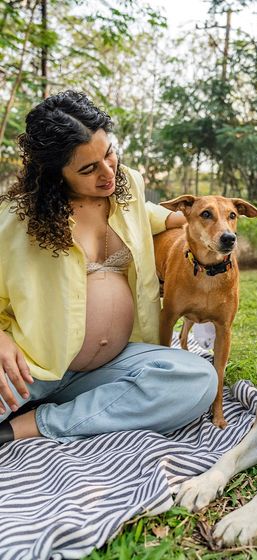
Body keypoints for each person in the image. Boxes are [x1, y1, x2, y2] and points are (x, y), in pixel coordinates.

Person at [0, 90, 218, 444]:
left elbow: (143, 214)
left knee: (197, 378)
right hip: (33, 367)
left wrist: (189, 220)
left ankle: (32, 425)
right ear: (55, 175)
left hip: (112, 367)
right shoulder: (17, 219)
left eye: (109, 153)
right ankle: (71, 408)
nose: (107, 173)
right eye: (88, 168)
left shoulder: (125, 184)